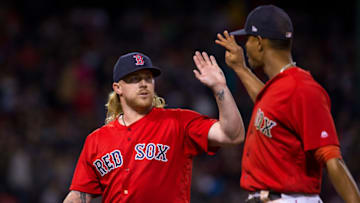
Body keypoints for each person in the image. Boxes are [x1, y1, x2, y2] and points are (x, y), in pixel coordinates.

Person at [214, 4, 360, 203]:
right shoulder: (281, 87)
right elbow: (270, 105)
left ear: (259, 42)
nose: (244, 45)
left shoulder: (303, 89)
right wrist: (240, 68)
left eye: (247, 39)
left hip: (290, 198)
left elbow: (332, 157)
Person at [63, 51, 245, 202]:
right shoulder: (97, 140)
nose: (143, 84)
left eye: (148, 78)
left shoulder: (178, 122)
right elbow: (80, 194)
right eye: (135, 79)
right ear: (118, 88)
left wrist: (220, 87)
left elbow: (232, 135)